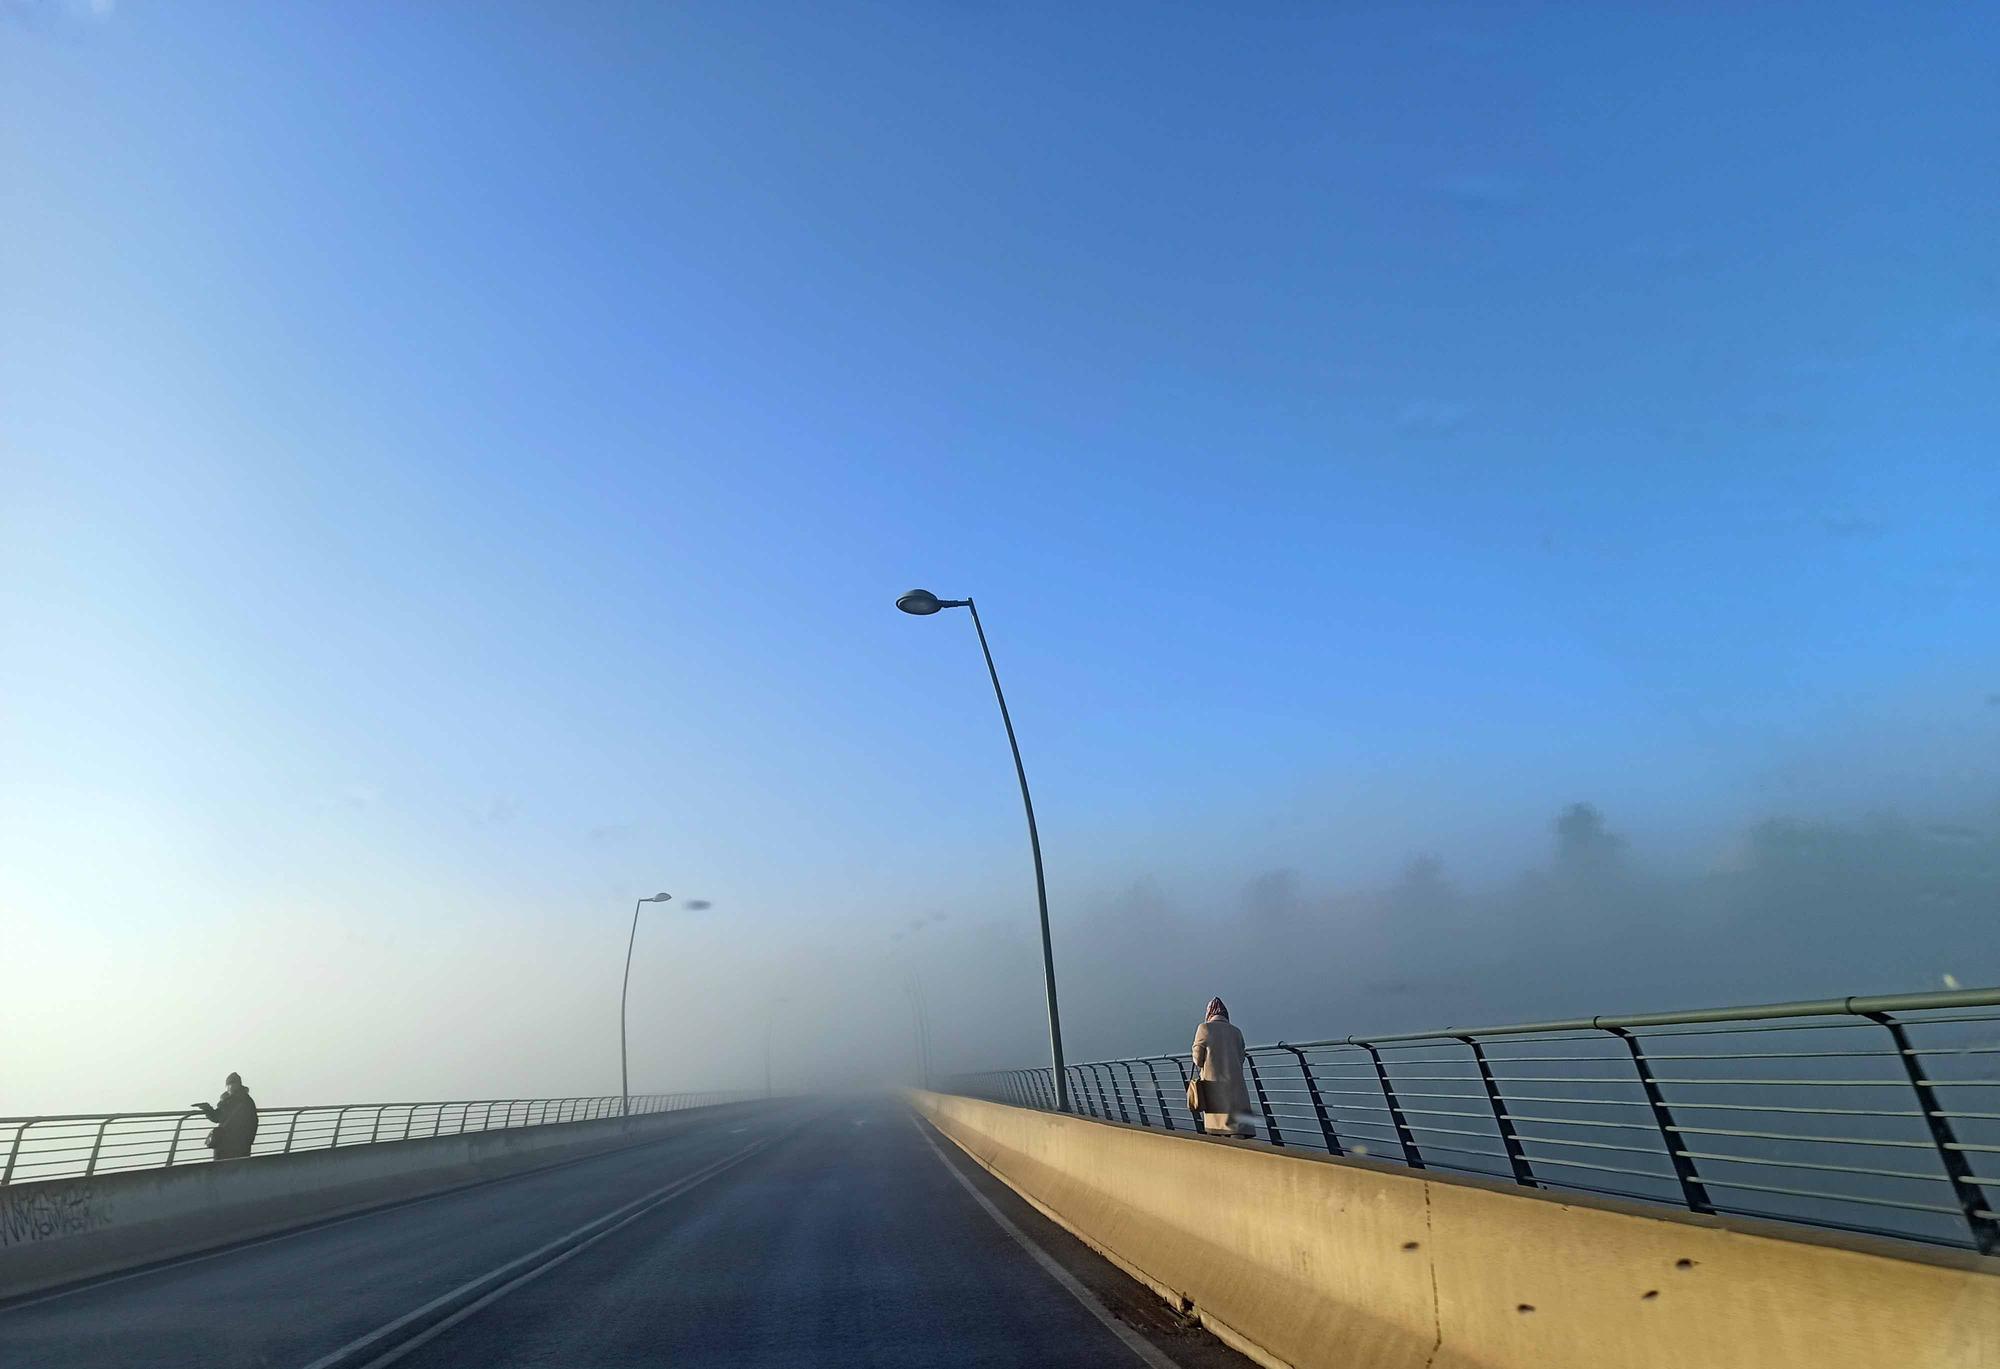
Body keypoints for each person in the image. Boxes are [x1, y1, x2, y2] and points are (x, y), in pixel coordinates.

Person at [1192, 997, 1255, 1138]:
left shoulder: (1204, 1028)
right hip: (1236, 1085)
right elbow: (1241, 1058)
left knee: (1217, 1126)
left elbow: (1197, 1060)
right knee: (1236, 1128)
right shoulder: (1236, 1031)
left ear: (1209, 1013)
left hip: (1214, 1086)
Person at [194, 1072, 259, 1159]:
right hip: (242, 1144)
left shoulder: (230, 1101)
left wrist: (207, 1109)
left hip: (226, 1143)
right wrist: (249, 1141)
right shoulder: (247, 1100)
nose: (229, 1087)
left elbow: (217, 1117)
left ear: (238, 1085)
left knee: (221, 1168)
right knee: (239, 1168)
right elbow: (254, 1121)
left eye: (231, 1084)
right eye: (228, 1085)